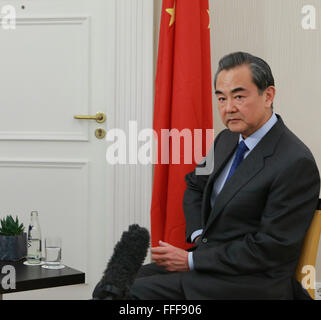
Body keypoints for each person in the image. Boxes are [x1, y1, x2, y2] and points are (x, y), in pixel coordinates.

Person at [130, 52, 321, 300]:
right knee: (115, 281)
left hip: (253, 284)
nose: (228, 108)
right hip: (212, 266)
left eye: (239, 96)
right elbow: (195, 186)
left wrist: (191, 259)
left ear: (268, 95)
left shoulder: (295, 162)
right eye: (221, 98)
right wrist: (199, 235)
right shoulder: (226, 139)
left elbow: (269, 250)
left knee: (131, 292)